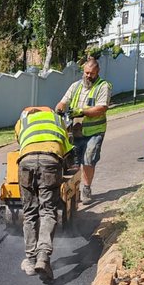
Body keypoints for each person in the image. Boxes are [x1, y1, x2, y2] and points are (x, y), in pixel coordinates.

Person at [14, 106, 74, 281]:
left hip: (26, 162)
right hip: (50, 161)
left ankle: (31, 260)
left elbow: (21, 143)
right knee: (47, 211)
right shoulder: (58, 120)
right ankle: (43, 256)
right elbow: (67, 150)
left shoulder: (23, 121)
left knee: (29, 213)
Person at [55, 58, 111, 205]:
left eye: (91, 73)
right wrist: (59, 109)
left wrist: (82, 111)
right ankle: (75, 190)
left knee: (88, 160)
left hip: (95, 132)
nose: (88, 76)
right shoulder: (75, 86)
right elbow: (63, 101)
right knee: (74, 162)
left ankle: (86, 189)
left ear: (97, 72)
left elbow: (101, 108)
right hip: (76, 131)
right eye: (86, 73)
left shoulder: (103, 86)